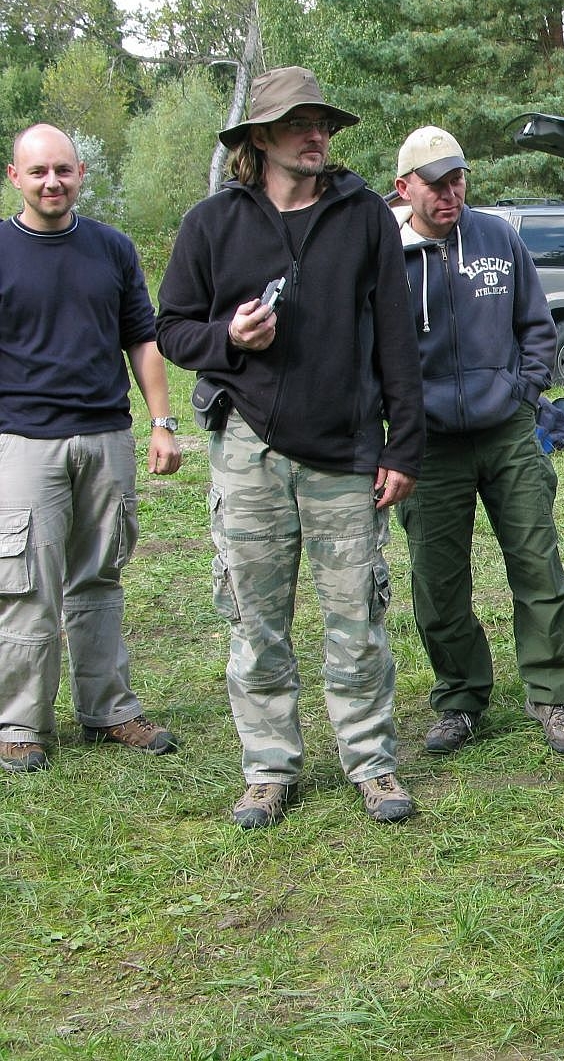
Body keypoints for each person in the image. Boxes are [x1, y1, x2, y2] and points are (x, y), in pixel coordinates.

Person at [156, 67, 425, 828]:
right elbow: (171, 327)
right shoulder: (212, 223)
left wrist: (403, 446)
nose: (317, 137)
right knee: (255, 620)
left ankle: (372, 763)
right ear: (261, 137)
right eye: (300, 124)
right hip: (248, 449)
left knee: (357, 619)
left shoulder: (365, 216)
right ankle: (269, 769)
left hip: (346, 450)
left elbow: (398, 340)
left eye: (323, 124)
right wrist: (228, 339)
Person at [392, 125, 564, 757]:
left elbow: (536, 323)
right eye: (436, 184)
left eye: (458, 181)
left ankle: (553, 692)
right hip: (427, 444)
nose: (451, 194)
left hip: (507, 432)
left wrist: (525, 392)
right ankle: (459, 697)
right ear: (404, 188)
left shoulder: (498, 238)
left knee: (536, 560)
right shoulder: (383, 254)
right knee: (437, 579)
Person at [0, 124, 183, 774]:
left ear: (80, 173)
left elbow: (143, 340)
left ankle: (108, 710)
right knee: (26, 585)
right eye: (38, 171)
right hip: (24, 443)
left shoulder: (112, 248)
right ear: (15, 177)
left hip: (105, 437)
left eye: (63, 170)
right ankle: (21, 724)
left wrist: (162, 422)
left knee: (99, 579)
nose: (52, 182)